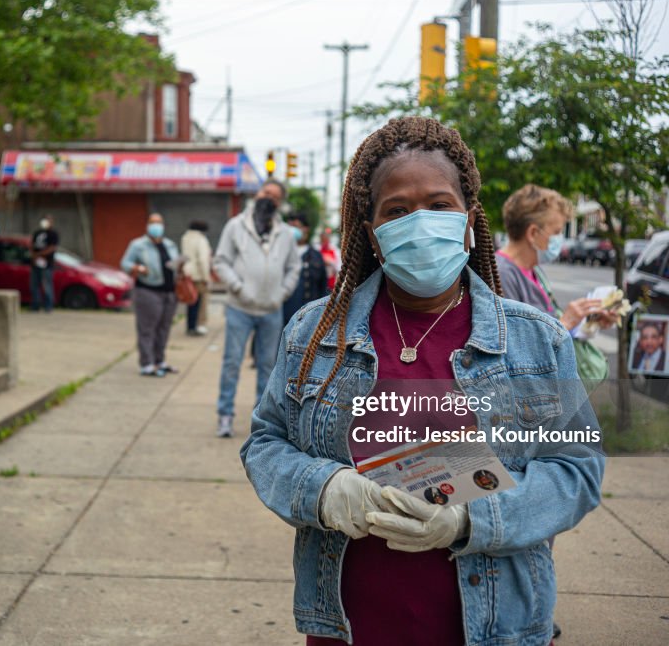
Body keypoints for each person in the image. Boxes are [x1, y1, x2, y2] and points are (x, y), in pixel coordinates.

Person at [240, 117, 604, 645]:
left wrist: (469, 520)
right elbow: (265, 443)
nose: (420, 222)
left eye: (438, 205)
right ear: (372, 232)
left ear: (469, 220)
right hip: (348, 627)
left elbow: (577, 471)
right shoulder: (315, 333)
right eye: (397, 211)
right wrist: (324, 489)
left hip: (493, 629)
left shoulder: (537, 342)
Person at [212, 179, 300, 438]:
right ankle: (225, 415)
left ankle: (260, 420)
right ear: (257, 194)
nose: (267, 198)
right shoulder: (236, 226)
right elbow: (221, 261)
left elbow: (293, 267)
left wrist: (281, 293)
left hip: (271, 310)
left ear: (279, 202)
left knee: (268, 367)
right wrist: (238, 287)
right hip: (239, 308)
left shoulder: (285, 233)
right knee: (232, 362)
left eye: (274, 196)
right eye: (265, 192)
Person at [496, 185, 620, 333]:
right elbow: (516, 346)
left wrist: (588, 319)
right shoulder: (502, 275)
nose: (559, 239)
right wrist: (565, 324)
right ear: (533, 233)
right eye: (557, 232)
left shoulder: (533, 268)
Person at [121, 213, 182, 377]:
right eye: (153, 223)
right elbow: (125, 263)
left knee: (164, 328)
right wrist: (139, 269)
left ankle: (159, 360)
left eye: (159, 223)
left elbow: (175, 263)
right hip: (148, 291)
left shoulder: (169, 244)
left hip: (169, 292)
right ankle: (146, 363)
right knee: (147, 329)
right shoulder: (138, 245)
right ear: (147, 225)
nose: (156, 226)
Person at [282, 211, 329, 325]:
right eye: (290, 227)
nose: (292, 231)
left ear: (306, 229)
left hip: (307, 319)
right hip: (281, 318)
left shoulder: (315, 256)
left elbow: (322, 287)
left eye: (296, 227)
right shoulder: (279, 254)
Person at [180, 219, 212, 336]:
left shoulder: (185, 238)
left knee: (191, 302)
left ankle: (190, 326)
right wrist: (206, 277)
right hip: (199, 275)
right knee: (201, 302)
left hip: (187, 274)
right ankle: (199, 326)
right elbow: (203, 260)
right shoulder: (201, 240)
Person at [30, 214, 59, 312]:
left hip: (46, 264)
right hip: (35, 264)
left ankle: (48, 306)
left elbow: (52, 248)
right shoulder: (37, 233)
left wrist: (40, 254)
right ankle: (35, 305)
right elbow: (32, 245)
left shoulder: (53, 234)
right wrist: (34, 255)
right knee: (34, 285)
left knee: (47, 285)